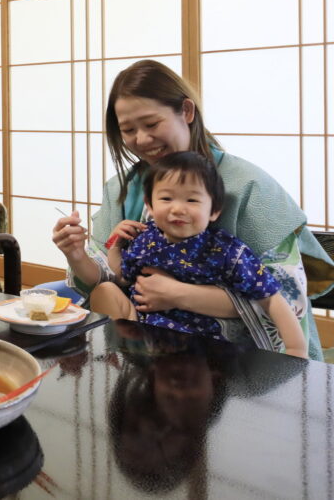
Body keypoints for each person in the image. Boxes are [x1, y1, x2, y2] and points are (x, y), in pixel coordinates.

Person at [52, 59, 332, 360]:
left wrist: (178, 294)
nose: (141, 140)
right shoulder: (122, 188)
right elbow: (109, 281)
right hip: (144, 353)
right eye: (128, 130)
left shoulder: (249, 187)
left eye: (151, 124)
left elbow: (286, 299)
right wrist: (76, 254)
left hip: (236, 359)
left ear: (186, 111)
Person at [93, 151, 306, 358]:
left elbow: (271, 298)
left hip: (199, 348)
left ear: (214, 210)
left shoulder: (225, 250)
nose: (178, 209)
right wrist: (115, 248)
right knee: (106, 290)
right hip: (143, 335)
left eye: (192, 200)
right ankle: (121, 354)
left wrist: (296, 349)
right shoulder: (146, 238)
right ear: (150, 205)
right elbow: (123, 276)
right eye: (166, 198)